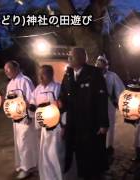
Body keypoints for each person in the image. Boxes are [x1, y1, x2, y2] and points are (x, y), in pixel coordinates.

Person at [58, 48, 109, 180]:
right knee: (75, 149)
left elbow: (102, 100)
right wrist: (60, 104)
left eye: (71, 57)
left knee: (91, 150)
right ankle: (78, 173)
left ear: (82, 58)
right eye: (69, 57)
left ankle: (94, 174)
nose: (69, 59)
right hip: (73, 120)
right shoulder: (68, 75)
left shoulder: (94, 73)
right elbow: (63, 95)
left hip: (90, 120)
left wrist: (103, 123)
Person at [4, 61, 38, 179]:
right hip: (15, 118)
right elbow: (7, 100)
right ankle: (26, 165)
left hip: (25, 118)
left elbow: (32, 99)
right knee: (20, 143)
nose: (6, 72)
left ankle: (27, 168)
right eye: (5, 70)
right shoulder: (10, 84)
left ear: (16, 68)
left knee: (25, 143)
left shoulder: (25, 81)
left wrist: (28, 112)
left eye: (8, 69)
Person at [30, 65, 64, 180]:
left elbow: (64, 108)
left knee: (56, 153)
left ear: (50, 74)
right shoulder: (37, 90)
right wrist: (30, 107)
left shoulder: (58, 87)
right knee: (45, 154)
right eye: (39, 74)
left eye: (43, 74)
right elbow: (32, 103)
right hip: (43, 127)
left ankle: (59, 177)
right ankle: (48, 177)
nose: (40, 77)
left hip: (56, 127)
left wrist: (64, 126)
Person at [95, 55, 125, 157]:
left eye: (101, 62)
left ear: (106, 65)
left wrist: (117, 102)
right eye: (97, 62)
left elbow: (120, 90)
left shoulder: (113, 76)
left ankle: (108, 147)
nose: (99, 64)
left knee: (109, 125)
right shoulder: (92, 74)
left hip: (108, 104)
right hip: (95, 104)